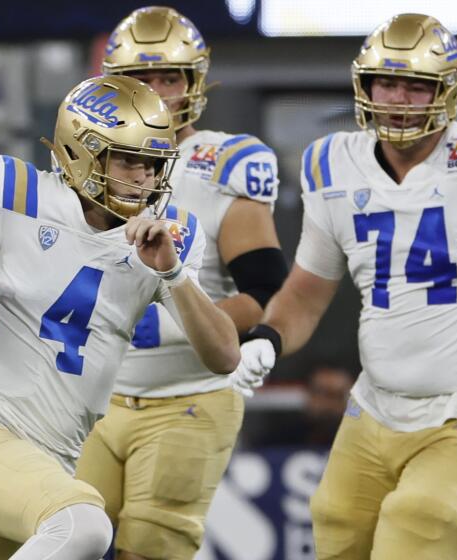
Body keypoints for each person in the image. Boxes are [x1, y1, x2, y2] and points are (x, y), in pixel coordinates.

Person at [0, 74, 240, 559]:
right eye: (129, 160)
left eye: (152, 164)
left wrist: (171, 274)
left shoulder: (168, 236)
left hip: (50, 459)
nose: (145, 177)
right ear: (81, 152)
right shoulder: (14, 192)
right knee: (82, 525)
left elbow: (225, 355)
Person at [232, 13, 457, 559]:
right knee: (337, 525)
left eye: (416, 84)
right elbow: (308, 291)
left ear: (447, 92)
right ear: (365, 86)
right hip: (376, 404)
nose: (399, 98)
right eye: (387, 81)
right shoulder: (333, 165)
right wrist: (266, 337)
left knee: (420, 522)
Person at [74, 7, 287, 559]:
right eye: (140, 79)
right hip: (92, 397)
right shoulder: (88, 157)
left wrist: (184, 323)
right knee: (62, 538)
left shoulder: (223, 162)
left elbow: (265, 294)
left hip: (185, 395)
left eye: (169, 77)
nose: (156, 93)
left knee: (149, 551)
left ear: (195, 82)